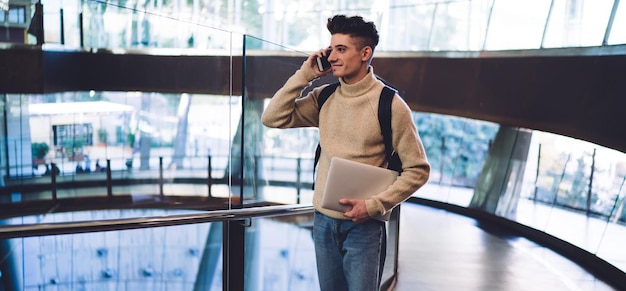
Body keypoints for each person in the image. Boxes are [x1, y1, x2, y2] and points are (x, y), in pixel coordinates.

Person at [261, 15, 430, 290]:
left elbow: (418, 170)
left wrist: (374, 205)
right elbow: (272, 117)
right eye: (331, 49)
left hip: (365, 228)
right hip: (323, 223)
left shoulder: (391, 104)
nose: (332, 57)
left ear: (365, 53)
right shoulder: (324, 97)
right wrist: (306, 74)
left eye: (341, 49)